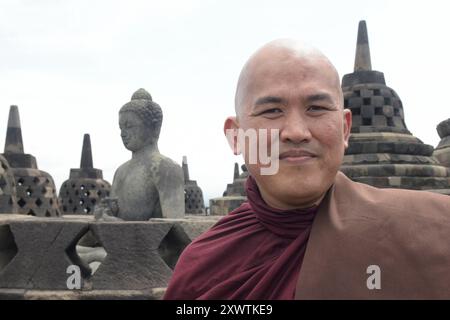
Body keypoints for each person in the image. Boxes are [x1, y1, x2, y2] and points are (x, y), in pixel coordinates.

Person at [163, 40, 450, 299]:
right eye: (272, 111)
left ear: (345, 128)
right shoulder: (202, 266)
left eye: (316, 108)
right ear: (235, 136)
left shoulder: (433, 229)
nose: (297, 132)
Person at [110, 88, 185, 220]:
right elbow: (112, 216)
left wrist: (116, 225)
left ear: (154, 128)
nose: (123, 133)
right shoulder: (120, 171)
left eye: (129, 126)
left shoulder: (166, 169)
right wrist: (104, 217)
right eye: (120, 127)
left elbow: (174, 226)